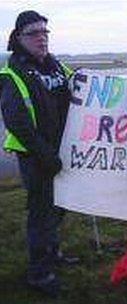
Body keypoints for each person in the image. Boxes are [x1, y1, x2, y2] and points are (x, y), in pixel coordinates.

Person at [0, 11, 78, 297]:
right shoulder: (12, 74)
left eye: (45, 32)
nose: (41, 38)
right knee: (41, 213)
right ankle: (39, 273)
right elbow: (17, 122)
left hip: (60, 153)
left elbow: (81, 85)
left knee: (59, 207)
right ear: (19, 38)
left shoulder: (55, 66)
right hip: (36, 157)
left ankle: (53, 253)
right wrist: (45, 154)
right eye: (34, 33)